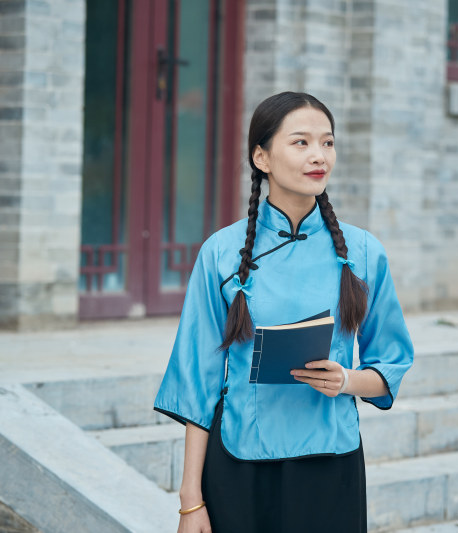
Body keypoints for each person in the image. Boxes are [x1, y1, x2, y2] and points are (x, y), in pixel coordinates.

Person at [153, 91, 414, 533]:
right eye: (301, 143)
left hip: (330, 464)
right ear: (262, 157)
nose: (319, 156)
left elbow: (390, 363)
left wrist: (346, 380)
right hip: (239, 464)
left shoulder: (364, 254)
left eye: (327, 143)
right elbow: (197, 381)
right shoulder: (221, 253)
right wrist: (190, 499)